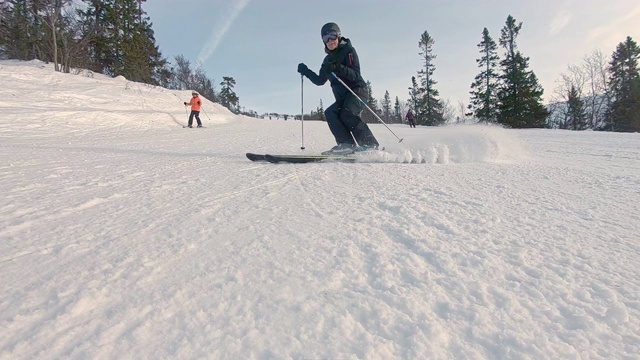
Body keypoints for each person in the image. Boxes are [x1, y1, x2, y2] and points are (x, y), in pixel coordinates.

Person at [297, 22, 379, 155]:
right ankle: (346, 144)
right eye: (326, 38)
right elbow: (320, 81)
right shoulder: (327, 61)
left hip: (357, 91)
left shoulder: (349, 52)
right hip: (343, 97)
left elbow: (356, 75)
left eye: (332, 36)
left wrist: (338, 68)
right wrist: (306, 71)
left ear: (338, 36)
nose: (330, 41)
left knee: (347, 112)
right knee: (331, 113)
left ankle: (370, 144)